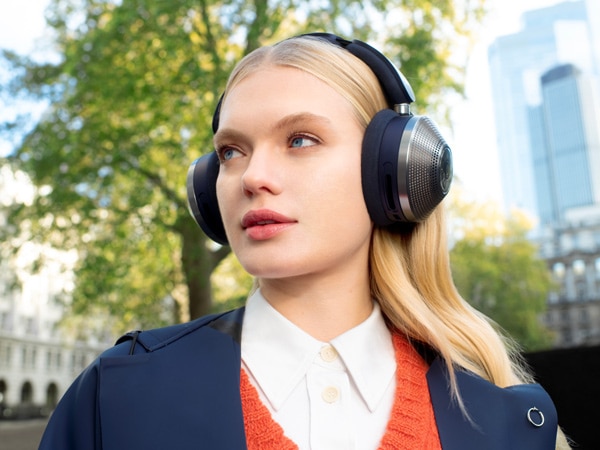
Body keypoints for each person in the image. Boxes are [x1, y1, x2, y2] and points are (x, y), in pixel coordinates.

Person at [39, 33, 570, 449]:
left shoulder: (506, 423)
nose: (253, 176)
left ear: (393, 171)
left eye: (300, 140)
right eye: (231, 151)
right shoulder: (115, 396)